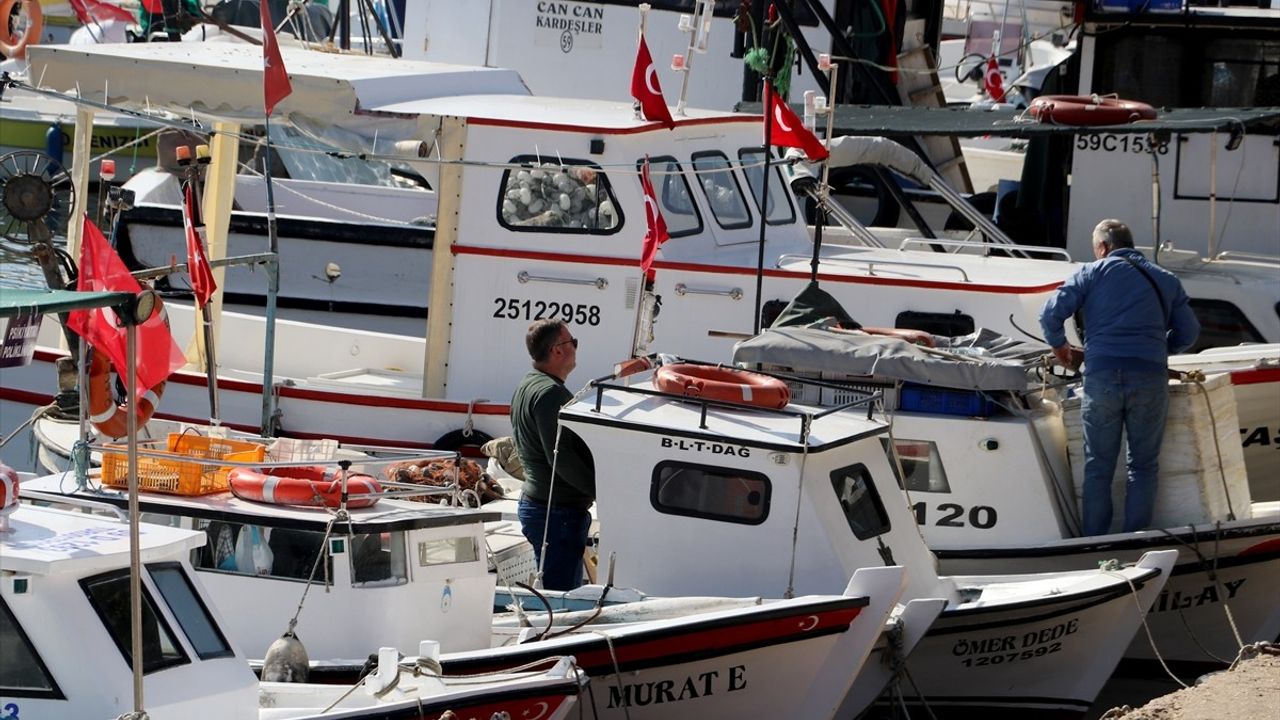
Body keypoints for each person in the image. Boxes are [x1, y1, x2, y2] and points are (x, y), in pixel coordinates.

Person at [1040, 219, 1199, 535]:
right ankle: (1134, 540)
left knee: (1098, 467)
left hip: (1103, 379)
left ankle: (1095, 543)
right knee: (1142, 467)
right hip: (1150, 379)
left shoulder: (1091, 273)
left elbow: (1050, 313)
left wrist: (1059, 346)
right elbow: (1190, 332)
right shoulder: (1165, 279)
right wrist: (1159, 349)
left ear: (1102, 247)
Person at [509, 319, 596, 590]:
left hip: (545, 508)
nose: (575, 348)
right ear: (558, 350)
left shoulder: (529, 383)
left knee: (555, 592)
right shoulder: (550, 393)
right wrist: (601, 491)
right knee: (560, 601)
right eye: (573, 342)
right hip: (556, 514)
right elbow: (560, 457)